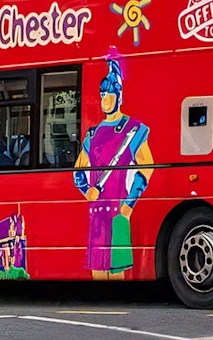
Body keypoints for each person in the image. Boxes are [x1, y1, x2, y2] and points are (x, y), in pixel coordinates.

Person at [73, 56, 153, 279]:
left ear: (119, 96)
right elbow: (78, 170)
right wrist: (86, 190)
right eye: (102, 95)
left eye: (109, 95)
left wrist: (129, 205)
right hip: (97, 213)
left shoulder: (134, 130)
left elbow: (147, 167)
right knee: (98, 273)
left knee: (117, 273)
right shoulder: (93, 134)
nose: (104, 100)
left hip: (118, 211)